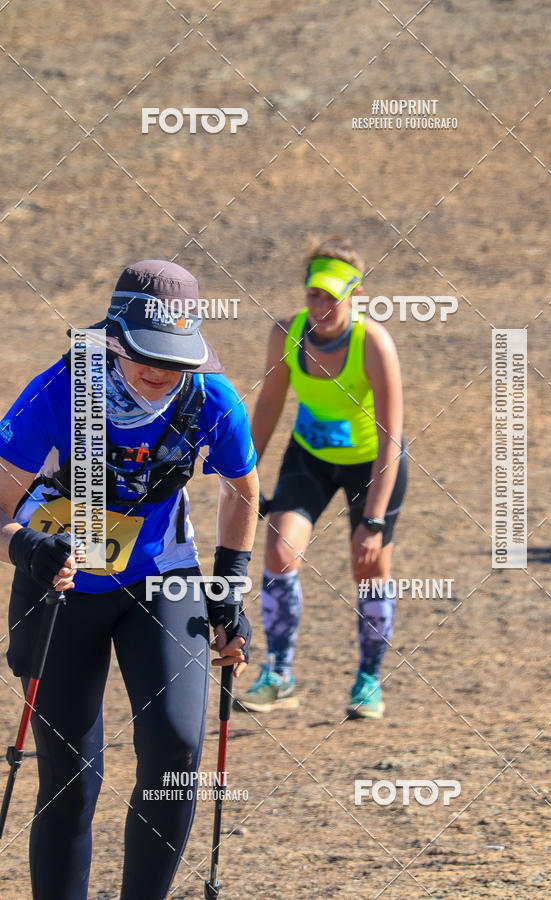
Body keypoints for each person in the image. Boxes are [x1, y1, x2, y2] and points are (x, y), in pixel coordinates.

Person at [0, 260, 259, 900]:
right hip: (62, 584)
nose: (162, 373)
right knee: (70, 774)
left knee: (176, 754)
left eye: (176, 359)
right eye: (148, 355)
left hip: (160, 580)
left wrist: (229, 585)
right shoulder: (59, 389)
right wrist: (27, 547)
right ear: (114, 337)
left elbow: (241, 491)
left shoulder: (210, 399)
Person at [237, 236, 407, 720]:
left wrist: (372, 520)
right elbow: (269, 405)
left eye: (333, 294)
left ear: (355, 294)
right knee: (279, 550)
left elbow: (392, 434)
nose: (322, 304)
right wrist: (242, 473)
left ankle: (368, 681)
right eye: (314, 292)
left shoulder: (372, 342)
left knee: (368, 569)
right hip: (309, 456)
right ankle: (278, 673)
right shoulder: (286, 334)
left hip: (372, 463)